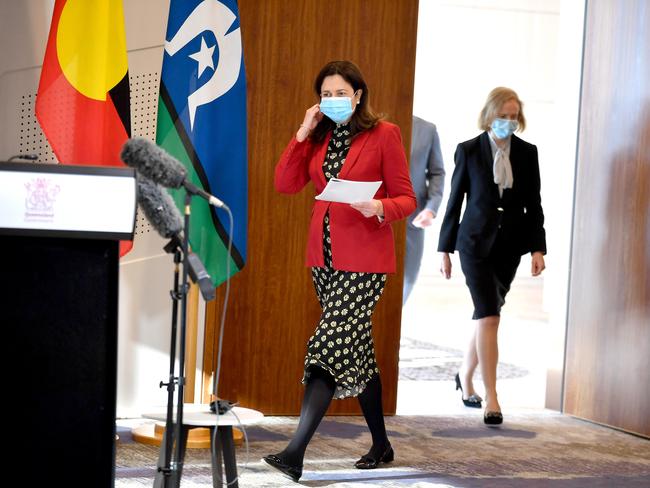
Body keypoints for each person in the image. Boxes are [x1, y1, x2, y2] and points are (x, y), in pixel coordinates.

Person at [263, 60, 416, 481]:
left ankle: (295, 453)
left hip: (365, 262)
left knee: (327, 347)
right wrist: (301, 133)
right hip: (324, 260)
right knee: (356, 349)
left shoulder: (384, 135)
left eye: (339, 93)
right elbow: (285, 183)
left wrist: (381, 206)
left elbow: (407, 197)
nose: (332, 101)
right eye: (324, 94)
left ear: (358, 94)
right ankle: (381, 443)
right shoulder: (319, 138)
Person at [437, 87, 546, 425]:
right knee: (490, 316)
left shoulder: (527, 153)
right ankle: (492, 397)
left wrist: (537, 248)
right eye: (503, 116)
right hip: (474, 245)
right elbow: (455, 202)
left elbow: (534, 205)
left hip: (509, 247)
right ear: (490, 115)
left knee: (487, 312)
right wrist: (445, 249)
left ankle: (464, 378)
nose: (509, 122)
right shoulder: (468, 150)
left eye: (514, 117)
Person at [403, 115, 446, 304]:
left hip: (412, 219)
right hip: (374, 218)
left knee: (408, 279)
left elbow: (437, 172)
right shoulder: (370, 125)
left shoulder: (427, 129)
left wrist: (431, 208)